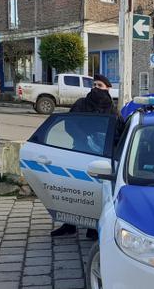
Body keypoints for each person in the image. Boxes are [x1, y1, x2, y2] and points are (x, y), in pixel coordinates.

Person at [51, 74, 124, 239]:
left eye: (100, 86)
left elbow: (118, 134)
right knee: (73, 188)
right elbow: (70, 123)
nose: (96, 88)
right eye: (95, 85)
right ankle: (69, 224)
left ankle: (93, 226)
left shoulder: (112, 110)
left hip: (100, 157)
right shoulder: (81, 104)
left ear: (108, 89)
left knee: (95, 191)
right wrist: (84, 139)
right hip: (78, 151)